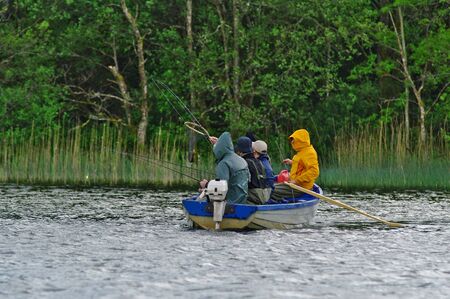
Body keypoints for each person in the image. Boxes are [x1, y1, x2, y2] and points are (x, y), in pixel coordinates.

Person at [199, 132, 250, 204]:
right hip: (243, 202)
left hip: (230, 203)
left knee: (200, 200)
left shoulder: (223, 163)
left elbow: (221, 188)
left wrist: (206, 186)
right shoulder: (242, 160)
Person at [271, 129, 319, 201]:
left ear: (301, 140)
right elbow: (302, 164)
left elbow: (314, 172)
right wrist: (292, 162)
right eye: (292, 140)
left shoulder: (309, 153)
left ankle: (279, 203)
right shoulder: (302, 151)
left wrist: (296, 181)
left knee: (271, 190)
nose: (292, 142)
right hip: (294, 184)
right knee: (270, 187)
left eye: (294, 140)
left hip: (300, 188)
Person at [235, 136, 272, 204]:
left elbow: (241, 184)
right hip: (265, 196)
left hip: (255, 197)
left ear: (239, 151)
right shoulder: (259, 161)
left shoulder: (244, 163)